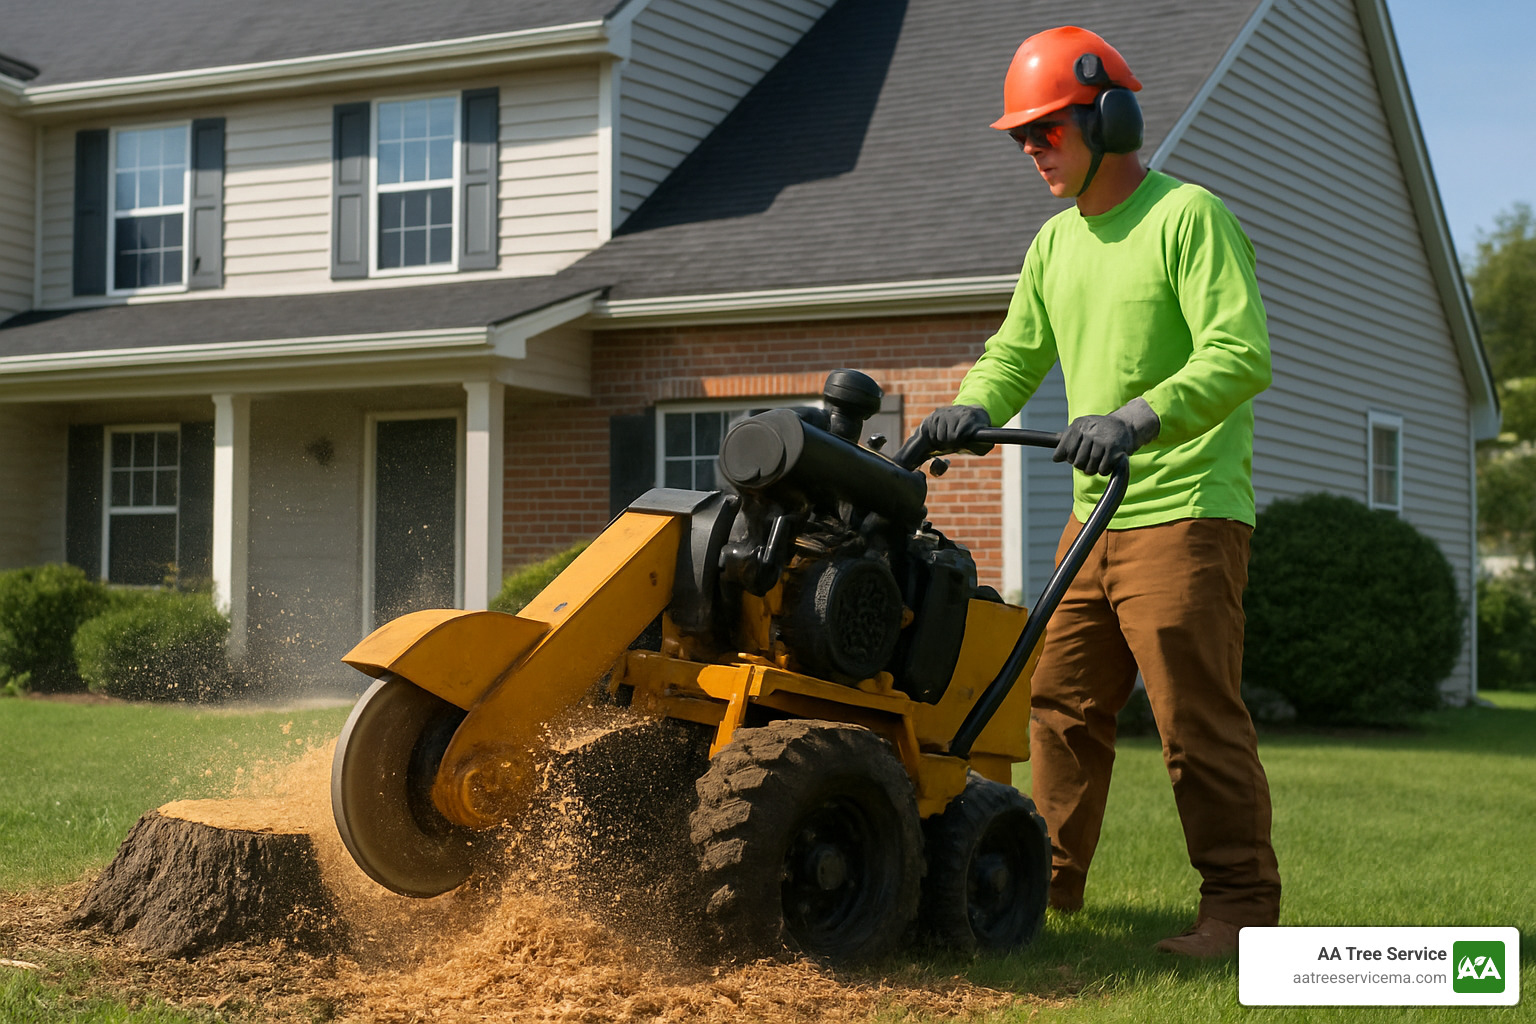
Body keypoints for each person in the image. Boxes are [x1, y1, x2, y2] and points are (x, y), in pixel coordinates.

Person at [915, 25, 1280, 957]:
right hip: (1096, 517)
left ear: (1109, 119)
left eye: (1044, 132)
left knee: (1193, 722)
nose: (1030, 150)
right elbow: (1015, 349)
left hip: (1187, 511)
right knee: (1060, 706)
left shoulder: (1186, 217)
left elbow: (1240, 353)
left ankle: (1240, 912)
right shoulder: (1053, 245)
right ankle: (1044, 890)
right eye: (1020, 138)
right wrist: (970, 408)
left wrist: (1138, 417)